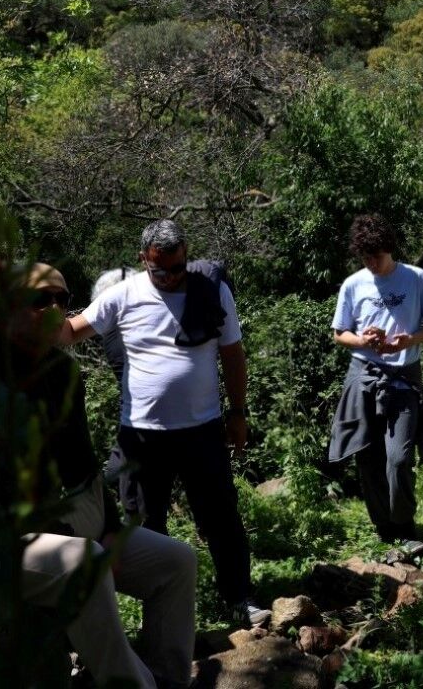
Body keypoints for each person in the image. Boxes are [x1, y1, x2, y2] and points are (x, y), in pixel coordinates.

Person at [0, 263, 196, 689]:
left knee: (175, 562)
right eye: (38, 299)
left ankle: (168, 678)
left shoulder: (59, 373)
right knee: (83, 564)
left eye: (62, 299)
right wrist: (69, 536)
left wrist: (109, 527)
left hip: (37, 526)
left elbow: (81, 466)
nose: (54, 309)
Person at [60, 220, 267, 627]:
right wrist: (39, 306)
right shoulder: (123, 295)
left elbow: (233, 354)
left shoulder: (211, 290)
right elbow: (69, 333)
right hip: (142, 435)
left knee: (221, 517)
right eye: (160, 270)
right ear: (143, 260)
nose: (171, 277)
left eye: (177, 267)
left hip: (202, 430)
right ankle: (158, 612)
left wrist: (238, 413)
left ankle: (239, 597)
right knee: (144, 523)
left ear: (186, 255)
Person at [328, 213, 423, 543]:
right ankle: (384, 529)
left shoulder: (416, 278)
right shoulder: (354, 284)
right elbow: (339, 333)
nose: (372, 263)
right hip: (363, 374)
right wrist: (363, 340)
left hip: (404, 377)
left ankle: (404, 526)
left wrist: (409, 340)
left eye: (376, 256)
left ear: (389, 249)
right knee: (367, 456)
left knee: (398, 457)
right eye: (365, 257)